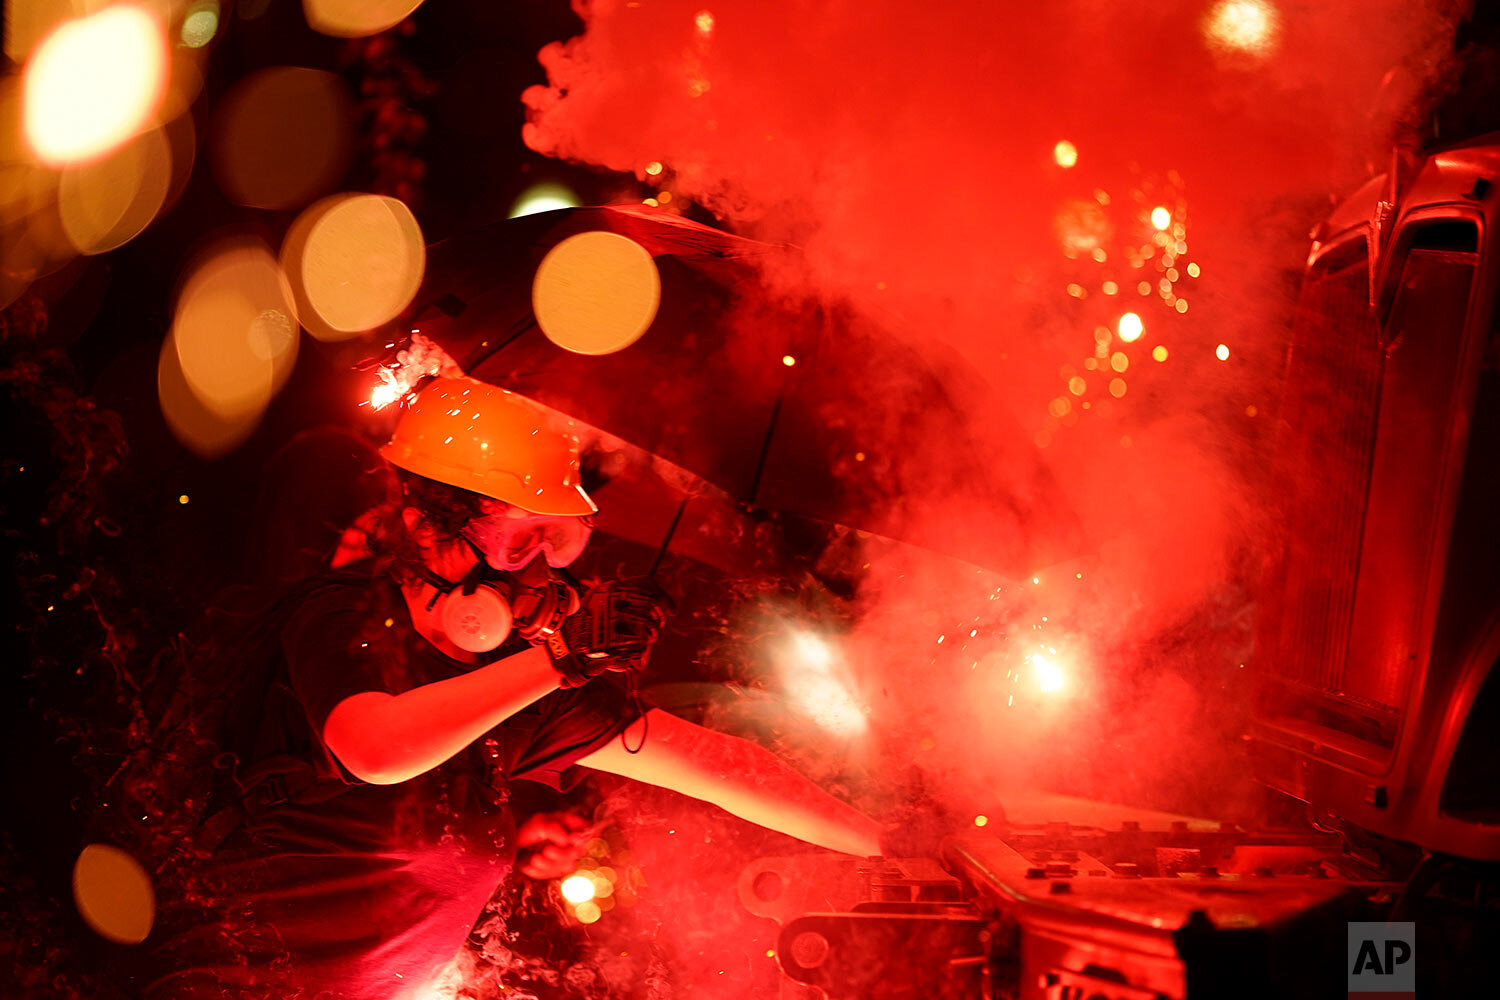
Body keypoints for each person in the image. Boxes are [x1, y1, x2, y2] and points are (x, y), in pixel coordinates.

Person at [142, 374, 882, 1000]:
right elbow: (375, 745)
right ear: (427, 528)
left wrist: (887, 841)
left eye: (554, 540)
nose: (541, 569)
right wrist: (559, 659)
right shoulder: (340, 617)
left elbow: (717, 767)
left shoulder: (521, 686)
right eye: (520, 537)